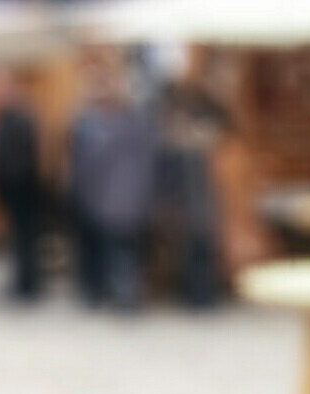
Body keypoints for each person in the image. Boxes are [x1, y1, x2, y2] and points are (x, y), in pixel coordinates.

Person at [69, 67, 159, 311]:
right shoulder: (140, 127)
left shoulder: (100, 130)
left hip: (109, 203)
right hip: (129, 203)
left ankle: (122, 296)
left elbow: (89, 167)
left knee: (118, 253)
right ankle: (125, 295)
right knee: (126, 253)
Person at [156, 81, 227, 309]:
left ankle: (204, 296)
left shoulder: (198, 145)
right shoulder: (174, 147)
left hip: (202, 210)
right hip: (190, 211)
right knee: (192, 255)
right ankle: (196, 296)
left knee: (203, 254)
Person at [0, 72, 44, 302]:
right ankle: (24, 283)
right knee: (20, 239)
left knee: (24, 238)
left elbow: (18, 158)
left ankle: (26, 285)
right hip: (17, 188)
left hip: (22, 189)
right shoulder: (7, 118)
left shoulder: (17, 119)